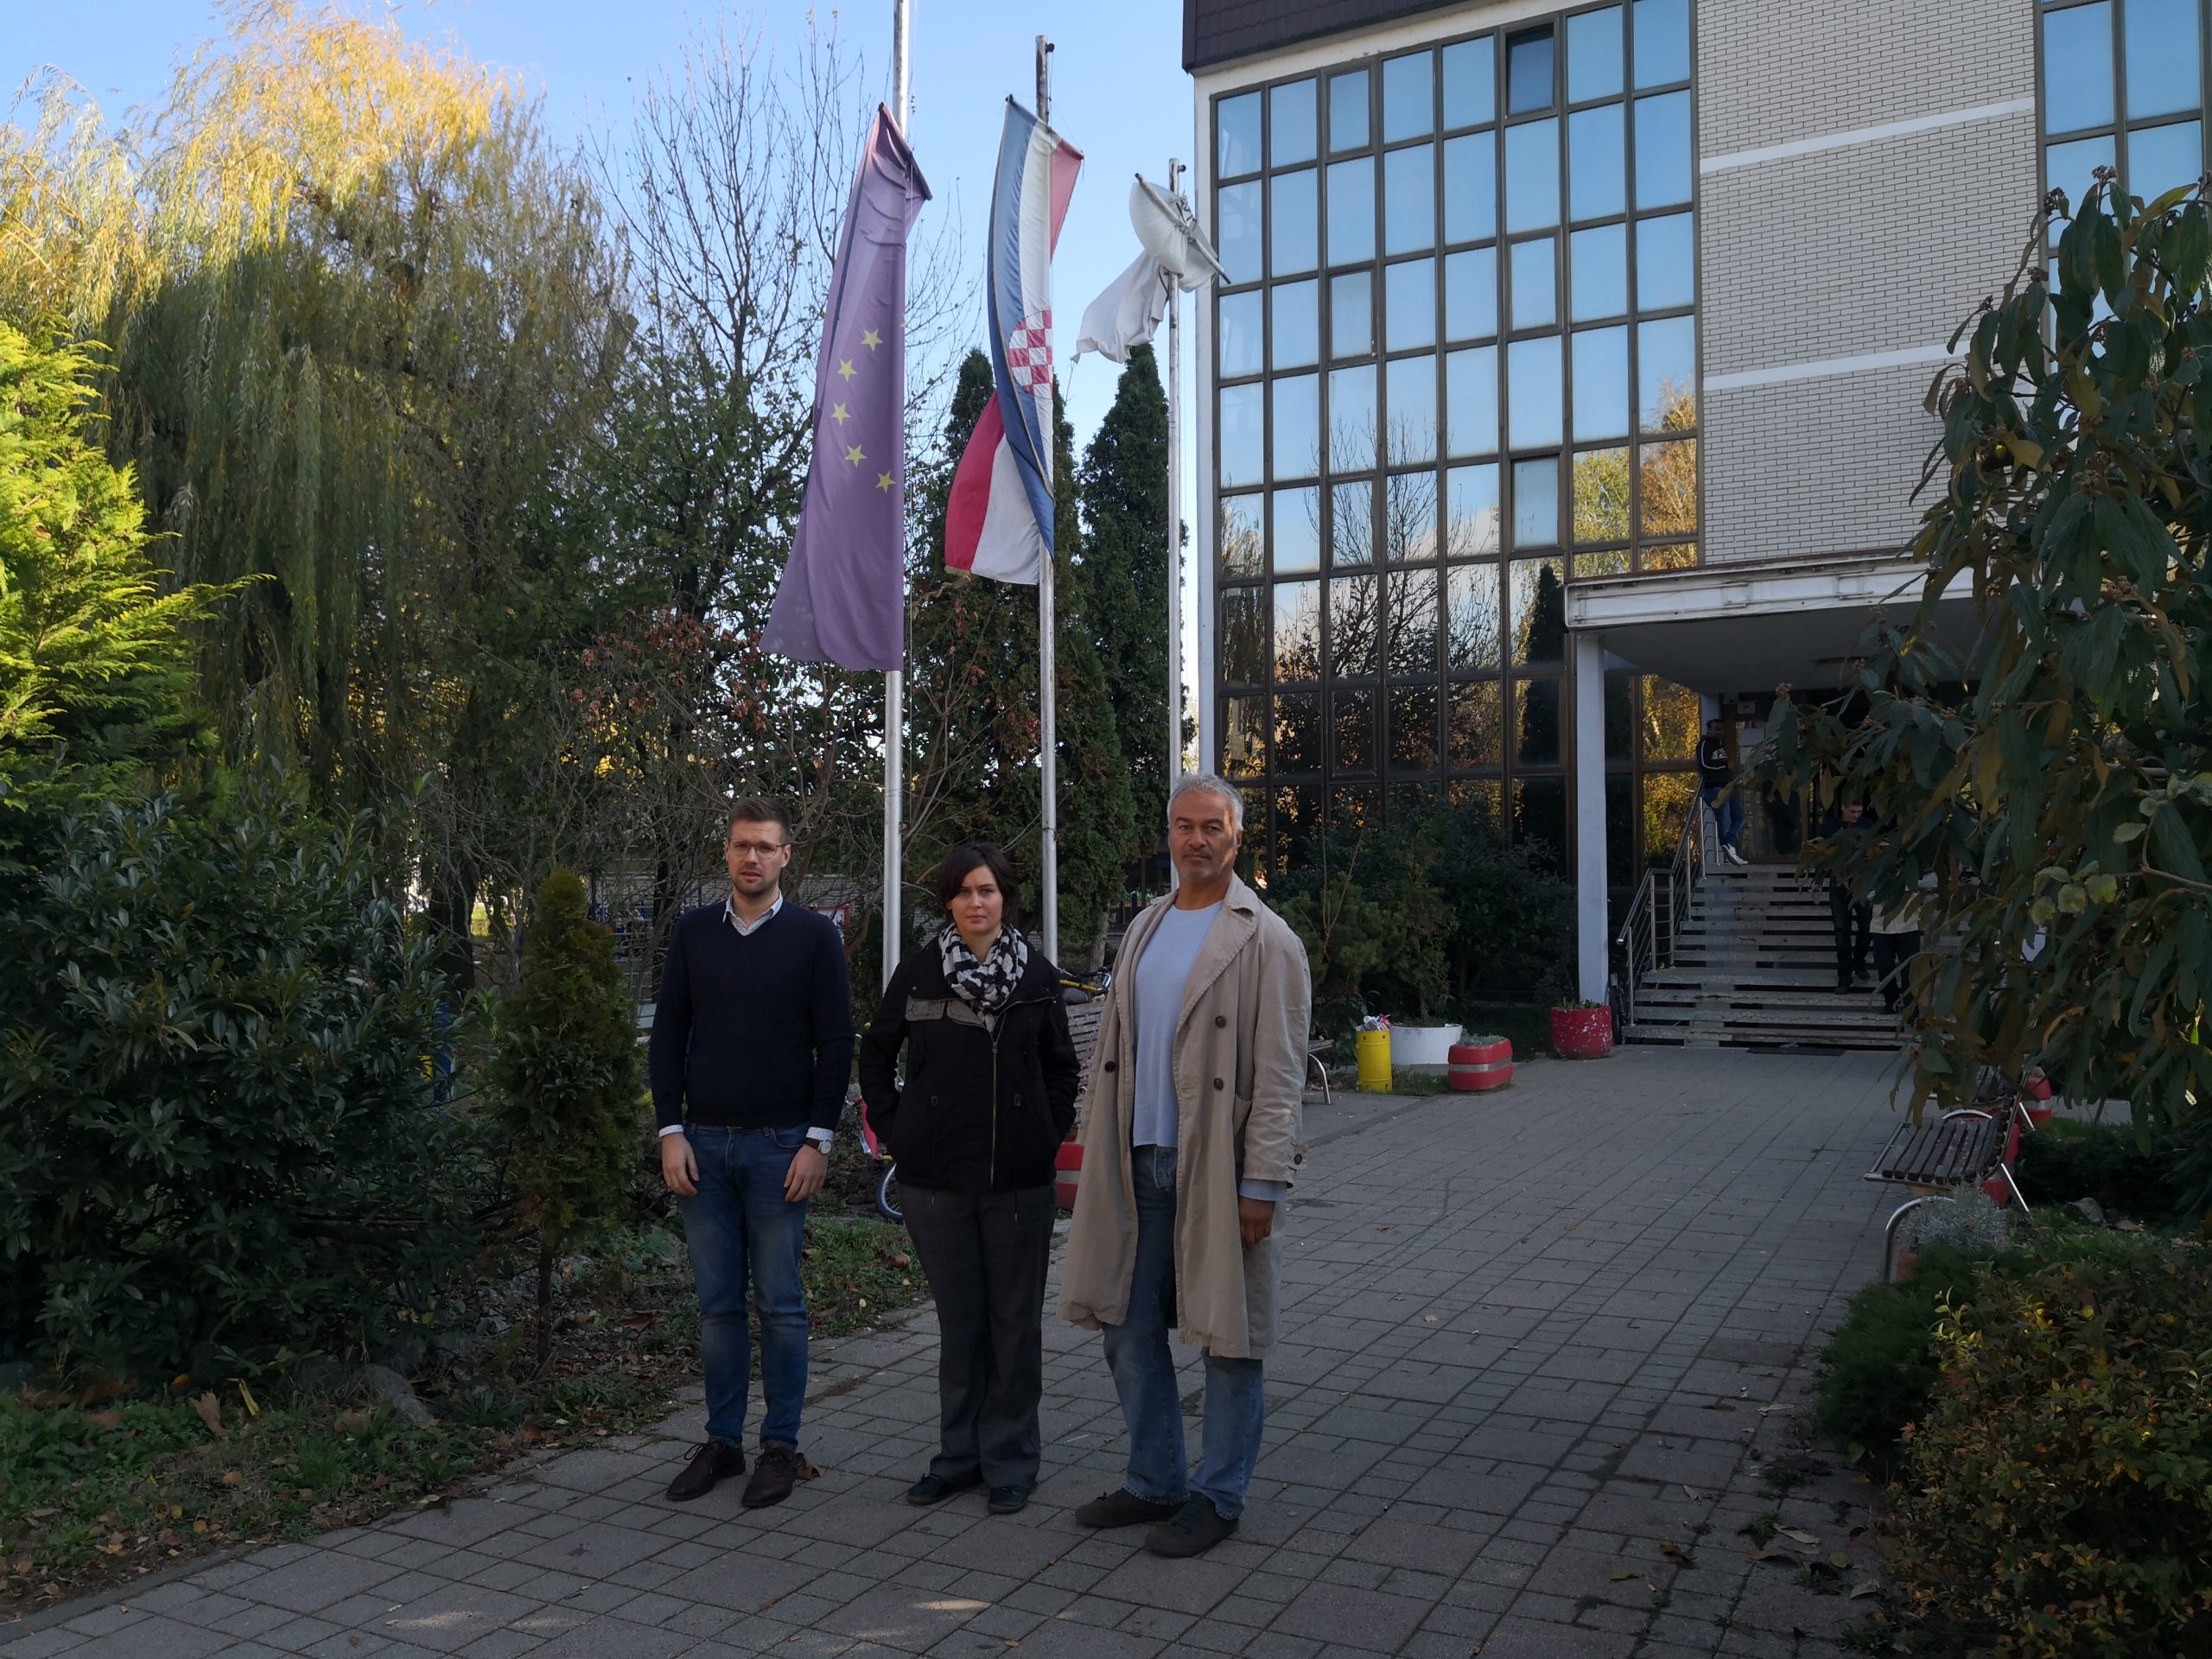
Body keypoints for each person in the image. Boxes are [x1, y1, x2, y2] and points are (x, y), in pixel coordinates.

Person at [1058, 773, 1312, 1560]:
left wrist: (1262, 1182)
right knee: (1125, 1327)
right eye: (1183, 826)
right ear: (1168, 834)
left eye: (1211, 827)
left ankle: (1218, 1496)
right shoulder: (1145, 925)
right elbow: (1115, 1047)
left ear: (1236, 838)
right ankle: (1156, 1480)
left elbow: (1280, 1074)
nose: (1196, 840)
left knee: (1229, 1339)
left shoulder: (1267, 938)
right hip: (1135, 1162)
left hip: (1217, 1169)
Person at [856, 843, 1079, 1516]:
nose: (975, 902)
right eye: (963, 892)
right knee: (960, 1328)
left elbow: (1062, 1066)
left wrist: (1045, 1131)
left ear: (1004, 897)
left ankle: (1010, 1461)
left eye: (986, 890)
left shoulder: (1036, 974)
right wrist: (898, 1130)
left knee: (1014, 1326)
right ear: (948, 902)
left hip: (1019, 1182)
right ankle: (958, 1458)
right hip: (935, 1182)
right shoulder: (920, 973)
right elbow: (876, 1054)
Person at [651, 798, 854, 1509]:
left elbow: (836, 1043)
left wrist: (818, 1140)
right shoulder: (693, 933)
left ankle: (780, 1447)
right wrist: (669, 1130)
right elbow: (668, 1034)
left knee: (782, 1306)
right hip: (702, 1146)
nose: (752, 858)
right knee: (717, 1308)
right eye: (742, 845)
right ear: (727, 852)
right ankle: (723, 1443)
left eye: (766, 846)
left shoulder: (814, 937)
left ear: (786, 855)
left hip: (780, 1148)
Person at [1823, 799, 1874, 994]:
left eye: (1859, 811)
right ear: (1843, 808)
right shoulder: (1830, 827)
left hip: (1862, 882)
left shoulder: (1868, 826)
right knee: (1841, 931)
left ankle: (1858, 961)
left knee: (1866, 927)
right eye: (1852, 811)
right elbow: (1821, 854)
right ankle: (1844, 976)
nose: (1856, 815)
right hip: (1838, 882)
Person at [1870, 871, 1936, 1018]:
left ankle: (1911, 1011)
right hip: (1880, 927)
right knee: (1885, 968)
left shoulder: (1912, 869)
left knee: (1910, 971)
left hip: (1909, 926)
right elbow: (1868, 893)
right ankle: (1891, 1001)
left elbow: (1931, 882)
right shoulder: (1877, 870)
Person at [1698, 718, 1747, 866]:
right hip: (1714, 789)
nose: (1720, 732)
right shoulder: (1704, 744)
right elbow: (1705, 766)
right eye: (1717, 729)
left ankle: (1730, 848)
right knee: (1724, 821)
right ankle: (1728, 852)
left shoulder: (1719, 746)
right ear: (1709, 730)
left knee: (1740, 817)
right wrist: (1726, 767)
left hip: (1727, 788)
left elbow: (1721, 764)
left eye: (1722, 730)